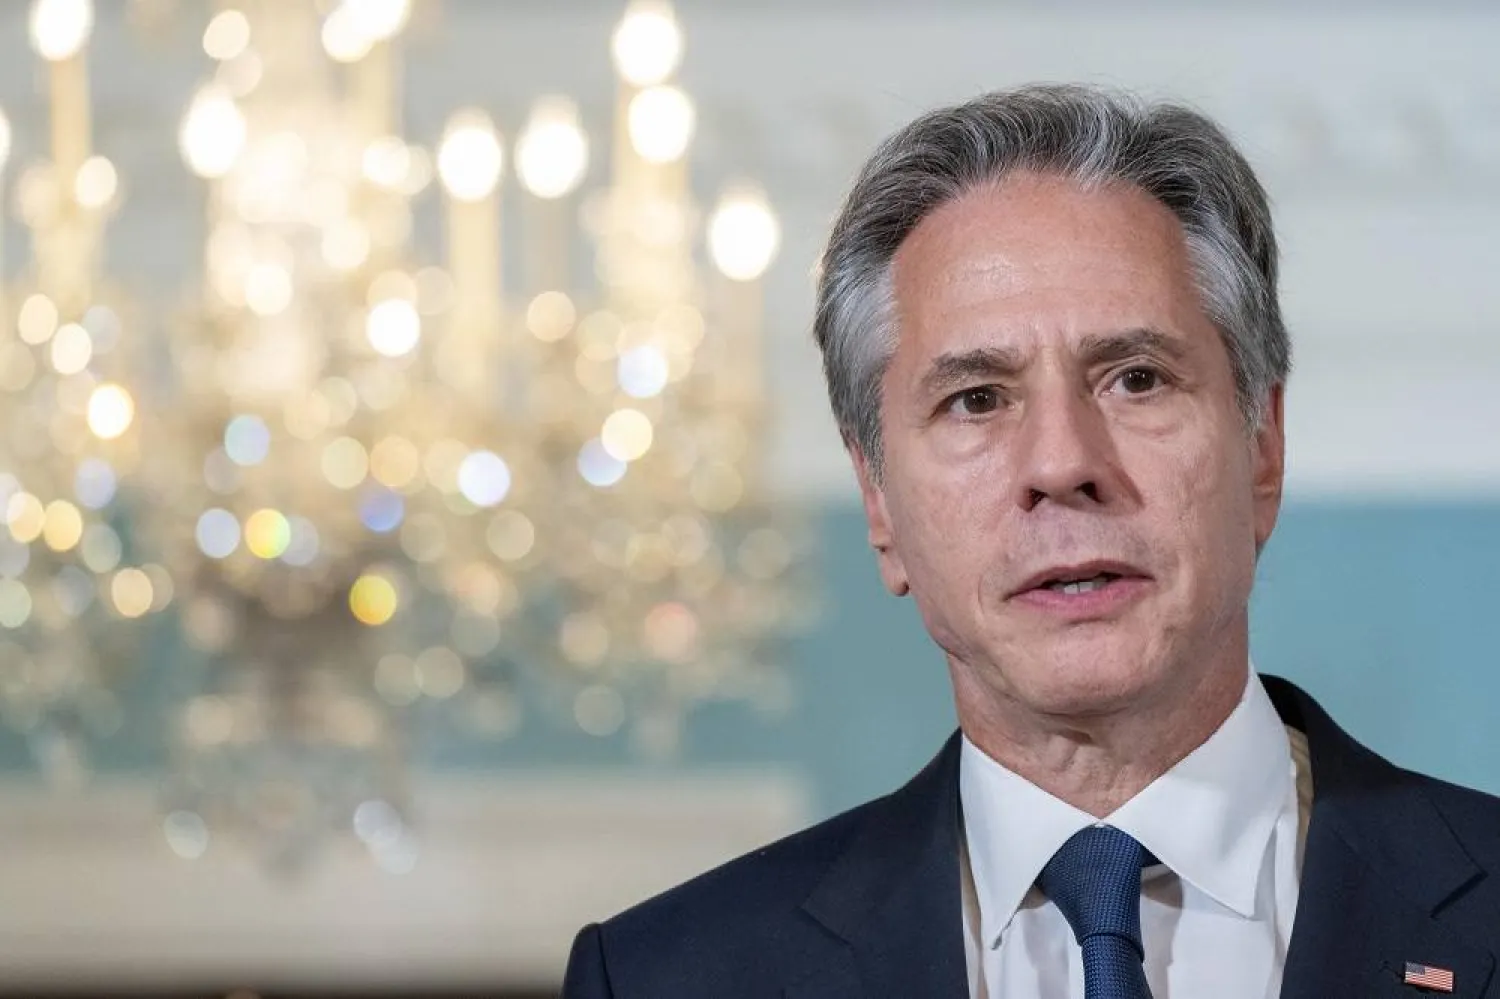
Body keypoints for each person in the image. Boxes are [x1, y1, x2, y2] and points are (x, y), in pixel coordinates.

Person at [561, 84, 1500, 998]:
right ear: (878, 499)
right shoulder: (661, 977)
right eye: (976, 399)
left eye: (1136, 378)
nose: (1061, 462)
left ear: (1263, 446)